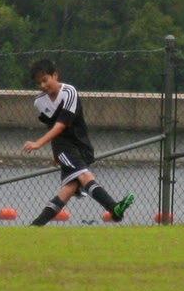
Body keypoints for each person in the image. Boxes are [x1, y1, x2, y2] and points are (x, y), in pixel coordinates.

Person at [23, 59, 135, 226]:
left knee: (68, 188)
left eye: (45, 80)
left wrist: (38, 143)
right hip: (63, 147)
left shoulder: (69, 92)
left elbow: (62, 125)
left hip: (82, 145)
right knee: (84, 175)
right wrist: (56, 153)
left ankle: (36, 225)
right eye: (39, 83)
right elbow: (52, 127)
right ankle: (114, 208)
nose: (43, 86)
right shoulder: (39, 103)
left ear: (55, 75)